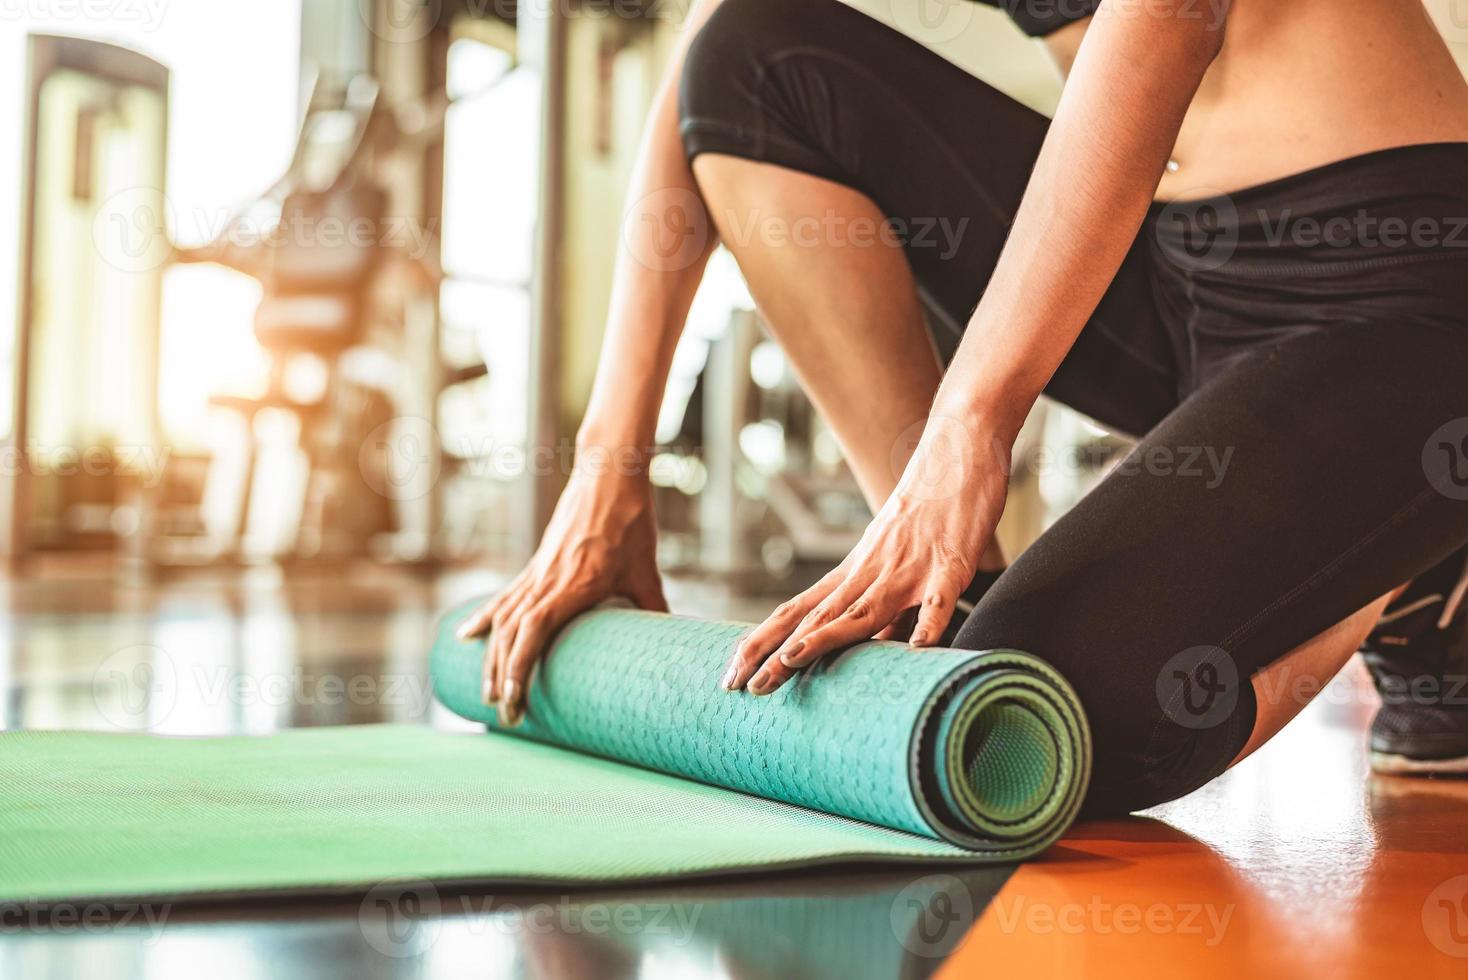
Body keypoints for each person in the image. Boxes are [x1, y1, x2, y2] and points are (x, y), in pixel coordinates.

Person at [460, 0, 1468, 812]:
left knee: (1069, 715)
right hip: (1165, 272)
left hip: (1393, 282)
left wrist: (969, 426)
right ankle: (958, 608)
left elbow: (1171, 14)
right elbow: (702, 69)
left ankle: (1415, 555)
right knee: (752, 59)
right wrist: (608, 475)